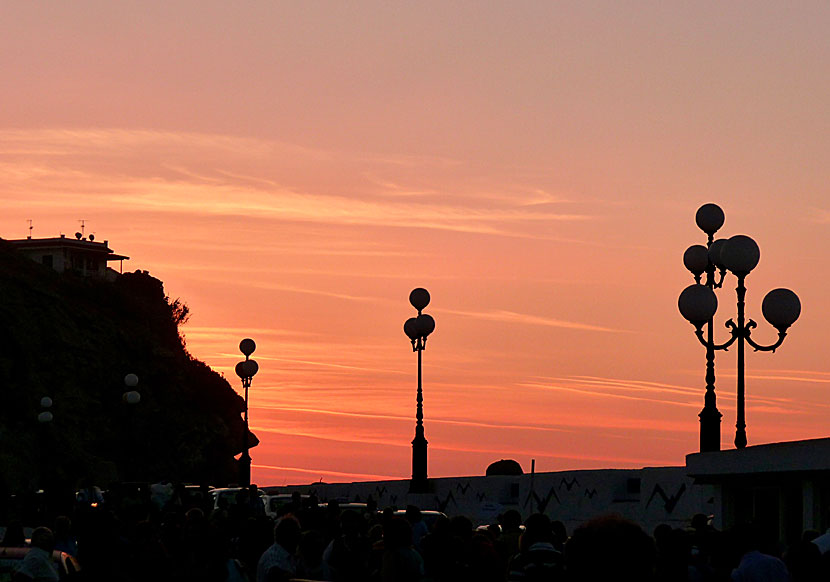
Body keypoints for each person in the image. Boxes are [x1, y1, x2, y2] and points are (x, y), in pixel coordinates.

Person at [257, 516, 300, 582]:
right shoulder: (273, 556)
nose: (298, 540)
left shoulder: (287, 555)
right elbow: (276, 574)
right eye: (297, 535)